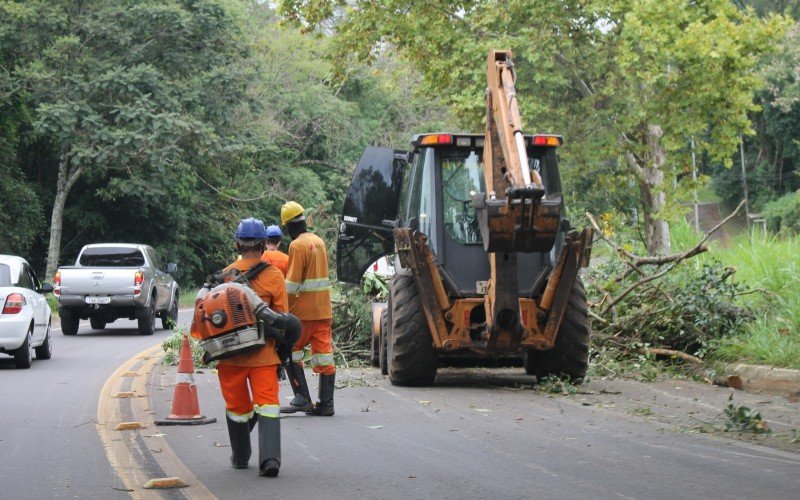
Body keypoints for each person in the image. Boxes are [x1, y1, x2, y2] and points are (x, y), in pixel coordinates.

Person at [219, 217, 288, 476]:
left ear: (238, 244)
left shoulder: (225, 276)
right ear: (262, 245)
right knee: (268, 404)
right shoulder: (274, 276)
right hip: (264, 356)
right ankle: (270, 459)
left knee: (237, 409)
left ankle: (240, 456)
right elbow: (283, 319)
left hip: (230, 357)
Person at [279, 201, 336, 416]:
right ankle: (326, 404)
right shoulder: (319, 241)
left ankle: (302, 397)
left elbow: (291, 286)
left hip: (303, 314)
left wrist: (283, 311)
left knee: (289, 352)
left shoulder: (297, 245)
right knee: (324, 357)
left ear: (289, 227)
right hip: (323, 311)